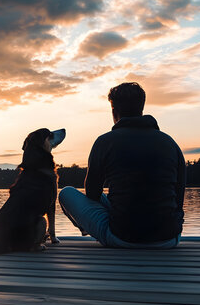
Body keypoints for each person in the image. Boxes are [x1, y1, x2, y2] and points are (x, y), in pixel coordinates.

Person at [59, 82, 185, 248]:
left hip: (122, 238)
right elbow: (179, 196)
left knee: (66, 193)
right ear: (141, 108)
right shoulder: (170, 142)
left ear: (114, 111)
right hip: (169, 239)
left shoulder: (105, 142)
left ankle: (90, 229)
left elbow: (92, 193)